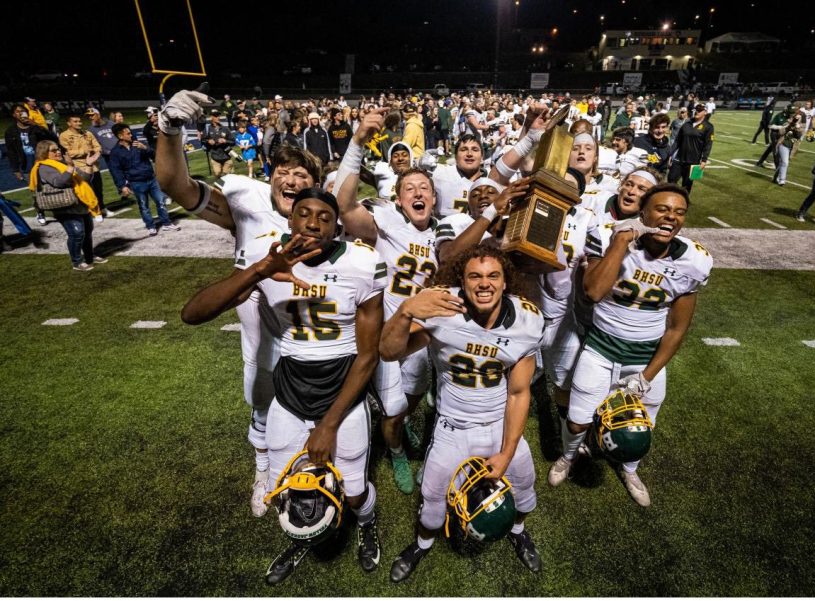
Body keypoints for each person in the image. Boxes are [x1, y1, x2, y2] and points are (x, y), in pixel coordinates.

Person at [180, 188, 387, 582]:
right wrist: (259, 270)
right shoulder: (267, 255)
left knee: (356, 491)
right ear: (290, 220)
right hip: (289, 388)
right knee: (287, 489)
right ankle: (303, 535)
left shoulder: (362, 262)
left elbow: (367, 356)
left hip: (340, 389)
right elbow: (192, 314)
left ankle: (367, 523)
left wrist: (328, 424)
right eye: (304, 214)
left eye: (324, 217)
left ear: (337, 227)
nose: (312, 223)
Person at [158, 88, 328, 520]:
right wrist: (170, 130)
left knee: (317, 418)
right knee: (260, 406)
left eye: (301, 175)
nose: (291, 181)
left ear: (314, 184)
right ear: (271, 177)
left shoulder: (326, 219)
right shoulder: (245, 207)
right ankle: (263, 472)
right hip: (261, 343)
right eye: (284, 172)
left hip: (311, 336)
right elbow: (175, 185)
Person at [380, 245, 545, 582]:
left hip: (499, 422)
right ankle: (422, 545)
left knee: (525, 490)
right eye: (475, 276)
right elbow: (388, 351)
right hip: (452, 425)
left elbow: (518, 391)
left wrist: (507, 451)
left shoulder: (527, 320)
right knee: (432, 503)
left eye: (493, 276)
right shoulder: (442, 307)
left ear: (504, 283)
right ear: (463, 282)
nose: (484, 284)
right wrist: (406, 310)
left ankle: (518, 531)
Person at [548, 183, 712, 507]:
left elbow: (677, 329)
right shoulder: (612, 236)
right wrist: (621, 241)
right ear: (643, 212)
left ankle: (630, 469)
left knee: (640, 428)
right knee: (578, 420)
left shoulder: (693, 260)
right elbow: (592, 292)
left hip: (645, 356)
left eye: (679, 213)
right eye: (662, 209)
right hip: (601, 347)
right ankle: (568, 457)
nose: (671, 218)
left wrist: (647, 376)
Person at [333, 109, 440, 494]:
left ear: (434, 196)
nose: (417, 192)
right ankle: (394, 449)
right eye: (409, 188)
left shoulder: (445, 231)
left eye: (424, 188)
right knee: (393, 408)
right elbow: (343, 206)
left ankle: (400, 427)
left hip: (422, 336)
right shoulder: (385, 222)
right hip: (385, 331)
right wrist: (358, 142)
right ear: (397, 197)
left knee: (411, 399)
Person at [29, 141, 105, 271]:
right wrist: (70, 167)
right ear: (44, 153)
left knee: (87, 232)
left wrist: (88, 165)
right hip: (64, 206)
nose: (58, 152)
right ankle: (77, 262)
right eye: (54, 150)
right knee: (77, 233)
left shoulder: (60, 164)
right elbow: (59, 182)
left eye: (58, 149)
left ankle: (89, 256)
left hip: (79, 202)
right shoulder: (44, 167)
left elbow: (84, 179)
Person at [107, 123, 179, 236]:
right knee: (144, 206)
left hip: (151, 179)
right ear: (120, 136)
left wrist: (145, 148)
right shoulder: (115, 152)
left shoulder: (139, 144)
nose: (131, 135)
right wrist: (122, 186)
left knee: (161, 202)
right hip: (136, 183)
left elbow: (154, 155)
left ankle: (166, 223)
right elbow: (116, 171)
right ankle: (150, 226)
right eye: (128, 133)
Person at [430, 134, 485, 217]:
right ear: (455, 157)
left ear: (482, 157)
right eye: (463, 149)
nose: (469, 154)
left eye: (475, 150)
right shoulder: (441, 173)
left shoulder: (490, 180)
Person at [58, 114, 104, 214]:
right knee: (84, 191)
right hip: (79, 168)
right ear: (69, 123)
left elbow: (98, 146)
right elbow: (67, 153)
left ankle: (102, 208)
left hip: (94, 166)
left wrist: (96, 152)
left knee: (98, 190)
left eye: (79, 121)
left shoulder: (88, 133)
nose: (79, 123)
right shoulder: (64, 136)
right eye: (75, 121)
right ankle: (88, 210)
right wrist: (85, 151)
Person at [667, 104, 714, 192]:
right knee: (671, 180)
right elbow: (677, 140)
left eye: (700, 110)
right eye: (696, 109)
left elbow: (708, 144)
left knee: (687, 185)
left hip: (693, 162)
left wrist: (704, 160)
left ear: (705, 112)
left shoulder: (709, 126)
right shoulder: (686, 123)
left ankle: (683, 202)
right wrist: (670, 154)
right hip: (679, 159)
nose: (697, 111)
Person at [202, 109, 235, 177]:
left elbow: (233, 142)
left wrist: (225, 141)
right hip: (215, 157)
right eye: (215, 116)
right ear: (211, 117)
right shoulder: (207, 129)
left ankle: (229, 172)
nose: (218, 117)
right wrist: (208, 141)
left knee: (226, 176)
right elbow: (203, 140)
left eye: (218, 115)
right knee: (217, 174)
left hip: (226, 156)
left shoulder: (225, 129)